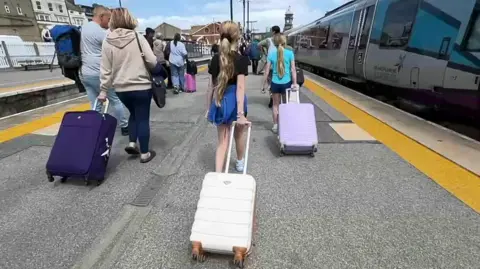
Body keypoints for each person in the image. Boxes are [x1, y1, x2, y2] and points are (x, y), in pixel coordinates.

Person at [98, 7, 157, 163]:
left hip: (121, 89)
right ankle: (145, 153)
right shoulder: (137, 37)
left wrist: (103, 90)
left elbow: (105, 69)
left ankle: (132, 142)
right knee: (143, 118)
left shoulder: (107, 40)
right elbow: (151, 61)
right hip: (142, 87)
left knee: (133, 114)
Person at [206, 21, 249, 173]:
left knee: (222, 142)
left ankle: (218, 175)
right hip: (236, 104)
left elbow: (211, 87)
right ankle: (239, 161)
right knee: (238, 135)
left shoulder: (214, 59)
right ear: (237, 37)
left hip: (220, 102)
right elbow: (240, 88)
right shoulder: (241, 59)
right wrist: (240, 114)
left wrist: (208, 109)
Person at [79, 5, 129, 136]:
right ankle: (125, 126)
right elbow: (116, 49)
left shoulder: (84, 28)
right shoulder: (101, 33)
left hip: (85, 73)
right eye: (108, 18)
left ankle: (95, 127)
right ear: (101, 17)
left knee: (95, 102)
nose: (109, 21)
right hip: (99, 73)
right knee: (115, 100)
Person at [262, 34, 299, 134]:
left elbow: (266, 71)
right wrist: (295, 83)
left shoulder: (271, 54)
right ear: (284, 42)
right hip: (287, 83)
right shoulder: (290, 53)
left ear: (274, 43)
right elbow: (293, 69)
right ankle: (286, 124)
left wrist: (264, 85)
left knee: (275, 105)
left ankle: (275, 125)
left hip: (275, 83)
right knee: (285, 105)